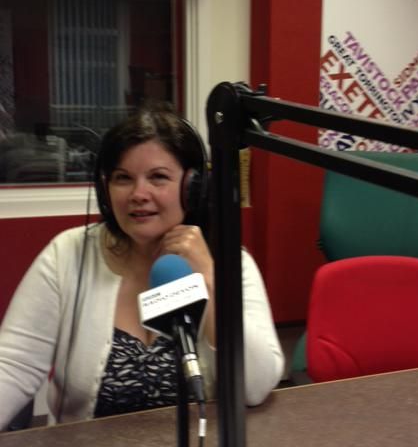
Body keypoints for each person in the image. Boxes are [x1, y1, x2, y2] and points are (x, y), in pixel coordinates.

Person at [0, 102, 285, 429]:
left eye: (158, 177)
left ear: (193, 188)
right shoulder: (68, 255)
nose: (138, 193)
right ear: (106, 189)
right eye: (123, 178)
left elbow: (256, 387)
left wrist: (210, 278)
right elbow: (12, 366)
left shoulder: (230, 264)